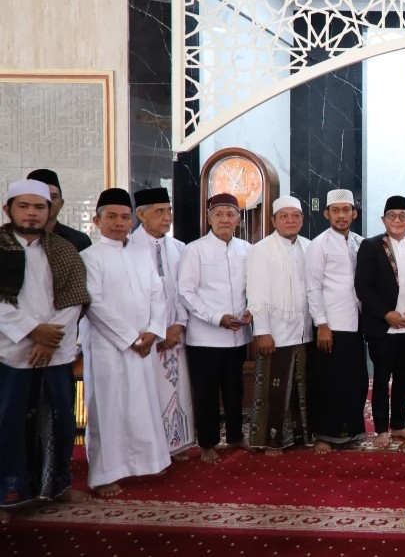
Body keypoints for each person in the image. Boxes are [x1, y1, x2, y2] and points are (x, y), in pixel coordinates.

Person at [0, 180, 91, 524]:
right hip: (10, 353)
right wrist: (31, 330)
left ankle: (56, 485)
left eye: (39, 207)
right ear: (8, 209)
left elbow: (74, 298)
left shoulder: (64, 250)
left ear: (49, 211)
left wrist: (47, 338)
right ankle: (7, 496)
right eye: (24, 206)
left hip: (54, 353)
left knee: (60, 423)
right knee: (8, 424)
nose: (32, 214)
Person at [80, 188, 171, 496]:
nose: (119, 223)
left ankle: (148, 462)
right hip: (109, 347)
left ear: (133, 220)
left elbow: (158, 294)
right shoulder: (89, 257)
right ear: (97, 221)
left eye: (124, 217)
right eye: (112, 217)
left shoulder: (141, 254)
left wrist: (154, 331)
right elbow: (94, 304)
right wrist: (131, 338)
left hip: (144, 344)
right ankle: (104, 474)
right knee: (108, 409)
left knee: (142, 405)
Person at [177, 193, 252, 463]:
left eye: (230, 215)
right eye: (218, 214)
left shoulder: (247, 249)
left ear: (238, 219)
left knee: (235, 390)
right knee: (206, 393)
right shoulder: (194, 249)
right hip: (205, 336)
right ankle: (207, 443)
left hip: (238, 335)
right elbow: (185, 292)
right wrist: (216, 317)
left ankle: (235, 435)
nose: (224, 219)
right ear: (209, 218)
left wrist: (250, 309)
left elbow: (253, 286)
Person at [131, 187, 196, 460]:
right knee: (147, 393)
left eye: (168, 211)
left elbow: (184, 291)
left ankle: (175, 445)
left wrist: (178, 326)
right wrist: (157, 333)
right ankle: (150, 451)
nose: (167, 217)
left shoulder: (180, 248)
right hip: (146, 339)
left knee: (176, 391)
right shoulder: (129, 248)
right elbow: (132, 298)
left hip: (175, 335)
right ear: (141, 215)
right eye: (160, 211)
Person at [355, 196, 405, 448]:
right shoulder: (371, 246)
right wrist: (386, 313)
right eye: (392, 215)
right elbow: (363, 286)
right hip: (383, 327)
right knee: (382, 380)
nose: (397, 220)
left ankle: (399, 425)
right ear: (383, 219)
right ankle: (382, 429)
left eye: (402, 216)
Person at [246, 196, 312, 455]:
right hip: (275, 332)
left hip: (304, 330)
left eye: (295, 215)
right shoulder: (261, 250)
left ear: (302, 219)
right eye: (284, 216)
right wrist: (262, 332)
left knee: (300, 387)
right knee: (274, 388)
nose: (290, 220)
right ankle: (271, 440)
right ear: (274, 220)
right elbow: (257, 293)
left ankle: (298, 436)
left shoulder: (309, 247)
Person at [305, 189, 365, 453]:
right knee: (328, 381)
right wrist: (322, 324)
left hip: (355, 323)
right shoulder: (319, 244)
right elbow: (312, 287)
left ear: (354, 213)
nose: (341, 216)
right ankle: (324, 434)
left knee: (354, 380)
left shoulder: (360, 243)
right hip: (330, 324)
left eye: (346, 210)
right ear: (326, 213)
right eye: (336, 211)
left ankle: (350, 431)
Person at [26, 169, 92, 252]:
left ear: (61, 203)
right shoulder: (12, 239)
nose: (48, 202)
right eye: (42, 196)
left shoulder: (79, 241)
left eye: (53, 197)